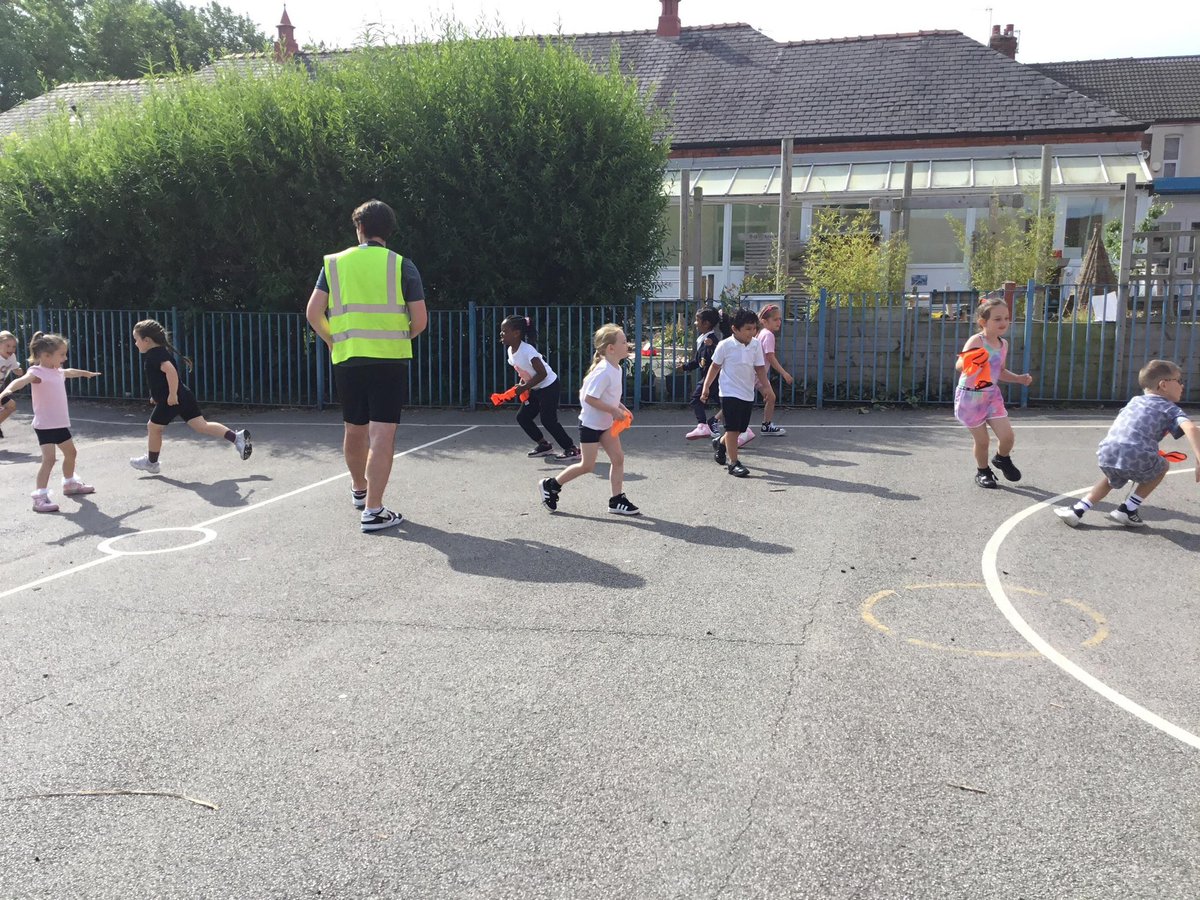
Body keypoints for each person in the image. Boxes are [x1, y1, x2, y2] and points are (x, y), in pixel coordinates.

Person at [306, 199, 428, 533]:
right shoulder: (402, 265)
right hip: (389, 359)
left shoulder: (333, 264)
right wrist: (398, 336)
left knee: (354, 429)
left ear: (359, 228)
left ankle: (360, 491)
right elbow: (419, 320)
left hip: (348, 359)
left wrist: (333, 340)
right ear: (389, 231)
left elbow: (313, 313)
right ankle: (374, 510)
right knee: (382, 434)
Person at [1055, 359, 1199, 528]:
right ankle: (1128, 509)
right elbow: (1192, 429)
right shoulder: (1170, 408)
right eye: (1179, 381)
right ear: (1164, 385)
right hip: (1137, 454)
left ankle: (1077, 509)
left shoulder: (1135, 401)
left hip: (1107, 453)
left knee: (1112, 477)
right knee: (1163, 466)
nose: (1182, 386)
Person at [538, 324, 639, 515]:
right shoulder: (603, 371)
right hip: (591, 426)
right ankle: (551, 485)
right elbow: (588, 398)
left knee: (618, 459)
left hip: (605, 424)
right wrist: (613, 409)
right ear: (611, 348)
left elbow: (609, 397)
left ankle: (616, 500)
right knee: (587, 465)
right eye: (624, 341)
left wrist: (621, 408)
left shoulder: (615, 368)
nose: (628, 344)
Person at [128, 319, 252, 474]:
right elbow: (160, 379)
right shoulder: (159, 352)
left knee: (153, 427)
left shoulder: (154, 355)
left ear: (147, 340)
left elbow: (171, 372)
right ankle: (236, 438)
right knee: (201, 426)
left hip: (173, 399)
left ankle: (151, 463)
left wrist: (172, 395)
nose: (135, 344)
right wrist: (156, 395)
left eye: (136, 340)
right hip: (183, 394)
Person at [0, 332, 100, 512]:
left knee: (71, 453)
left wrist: (85, 373)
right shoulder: (36, 372)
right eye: (61, 354)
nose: (65, 357)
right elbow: (22, 380)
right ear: (46, 356)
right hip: (45, 425)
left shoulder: (57, 371)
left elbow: (69, 372)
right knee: (49, 460)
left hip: (60, 423)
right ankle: (40, 496)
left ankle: (70, 484)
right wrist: (7, 391)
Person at [953, 298, 1033, 489]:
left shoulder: (1003, 344)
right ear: (983, 322)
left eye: (1006, 318)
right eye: (997, 319)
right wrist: (972, 363)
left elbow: (1001, 371)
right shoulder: (976, 341)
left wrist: (1019, 378)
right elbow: (959, 366)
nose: (1003, 322)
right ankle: (983, 471)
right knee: (983, 441)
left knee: (1007, 437)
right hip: (971, 397)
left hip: (991, 396)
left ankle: (1002, 459)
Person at [701, 308, 774, 478]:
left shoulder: (756, 344)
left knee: (739, 429)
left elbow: (760, 368)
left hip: (747, 392)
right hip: (728, 392)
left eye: (754, 328)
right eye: (748, 329)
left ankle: (720, 443)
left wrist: (767, 388)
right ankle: (734, 463)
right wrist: (706, 387)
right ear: (735, 329)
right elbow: (714, 367)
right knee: (733, 429)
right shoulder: (725, 345)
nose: (752, 332)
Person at [501, 314, 579, 460]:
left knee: (548, 420)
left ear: (516, 333)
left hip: (549, 386)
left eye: (504, 331)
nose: (501, 334)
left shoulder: (527, 350)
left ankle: (571, 449)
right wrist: (523, 385)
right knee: (523, 417)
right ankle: (544, 445)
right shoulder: (511, 351)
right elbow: (525, 372)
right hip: (536, 388)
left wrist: (524, 388)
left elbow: (542, 373)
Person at [677, 308, 724, 440]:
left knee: (696, 399)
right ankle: (715, 424)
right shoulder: (702, 339)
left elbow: (718, 356)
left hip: (713, 377)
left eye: (698, 320)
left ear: (707, 323)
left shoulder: (712, 340)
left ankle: (703, 426)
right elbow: (698, 361)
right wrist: (685, 367)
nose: (695, 323)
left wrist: (712, 346)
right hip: (709, 377)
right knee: (725, 404)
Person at [754, 304, 793, 435]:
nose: (779, 322)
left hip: (759, 375)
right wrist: (784, 373)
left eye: (780, 319)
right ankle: (716, 419)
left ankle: (767, 425)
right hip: (757, 375)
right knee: (740, 400)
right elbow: (770, 357)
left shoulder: (761, 333)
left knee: (771, 397)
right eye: (775, 319)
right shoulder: (768, 335)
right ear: (764, 321)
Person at [0, 330, 23, 439]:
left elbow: (15, 368)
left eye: (13, 347)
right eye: (7, 346)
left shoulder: (12, 357)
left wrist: (19, 371)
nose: (11, 349)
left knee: (11, 406)